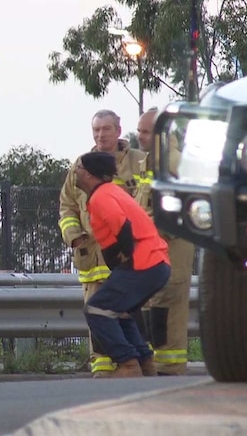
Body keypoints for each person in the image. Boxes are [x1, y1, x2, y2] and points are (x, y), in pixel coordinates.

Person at [58, 109, 147, 378]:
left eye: (106, 129)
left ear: (118, 131)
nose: (100, 135)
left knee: (130, 314)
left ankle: (136, 364)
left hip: (128, 258)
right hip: (93, 260)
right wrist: (74, 236)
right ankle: (103, 368)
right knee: (97, 315)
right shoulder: (80, 166)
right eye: (96, 130)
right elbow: (67, 206)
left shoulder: (138, 162)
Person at [75, 151, 171, 377]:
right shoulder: (110, 193)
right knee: (119, 311)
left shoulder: (102, 197)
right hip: (156, 264)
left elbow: (123, 228)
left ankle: (128, 363)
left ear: (89, 175)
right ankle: (145, 362)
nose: (75, 172)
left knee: (96, 309)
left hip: (145, 263)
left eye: (79, 168)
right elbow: (111, 244)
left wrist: (129, 259)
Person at [135, 107, 196, 375]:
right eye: (139, 131)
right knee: (155, 318)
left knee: (168, 320)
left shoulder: (175, 164)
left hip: (171, 257)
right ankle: (161, 369)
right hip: (153, 257)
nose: (140, 137)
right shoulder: (150, 163)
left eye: (146, 132)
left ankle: (171, 373)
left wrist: (145, 229)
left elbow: (179, 211)